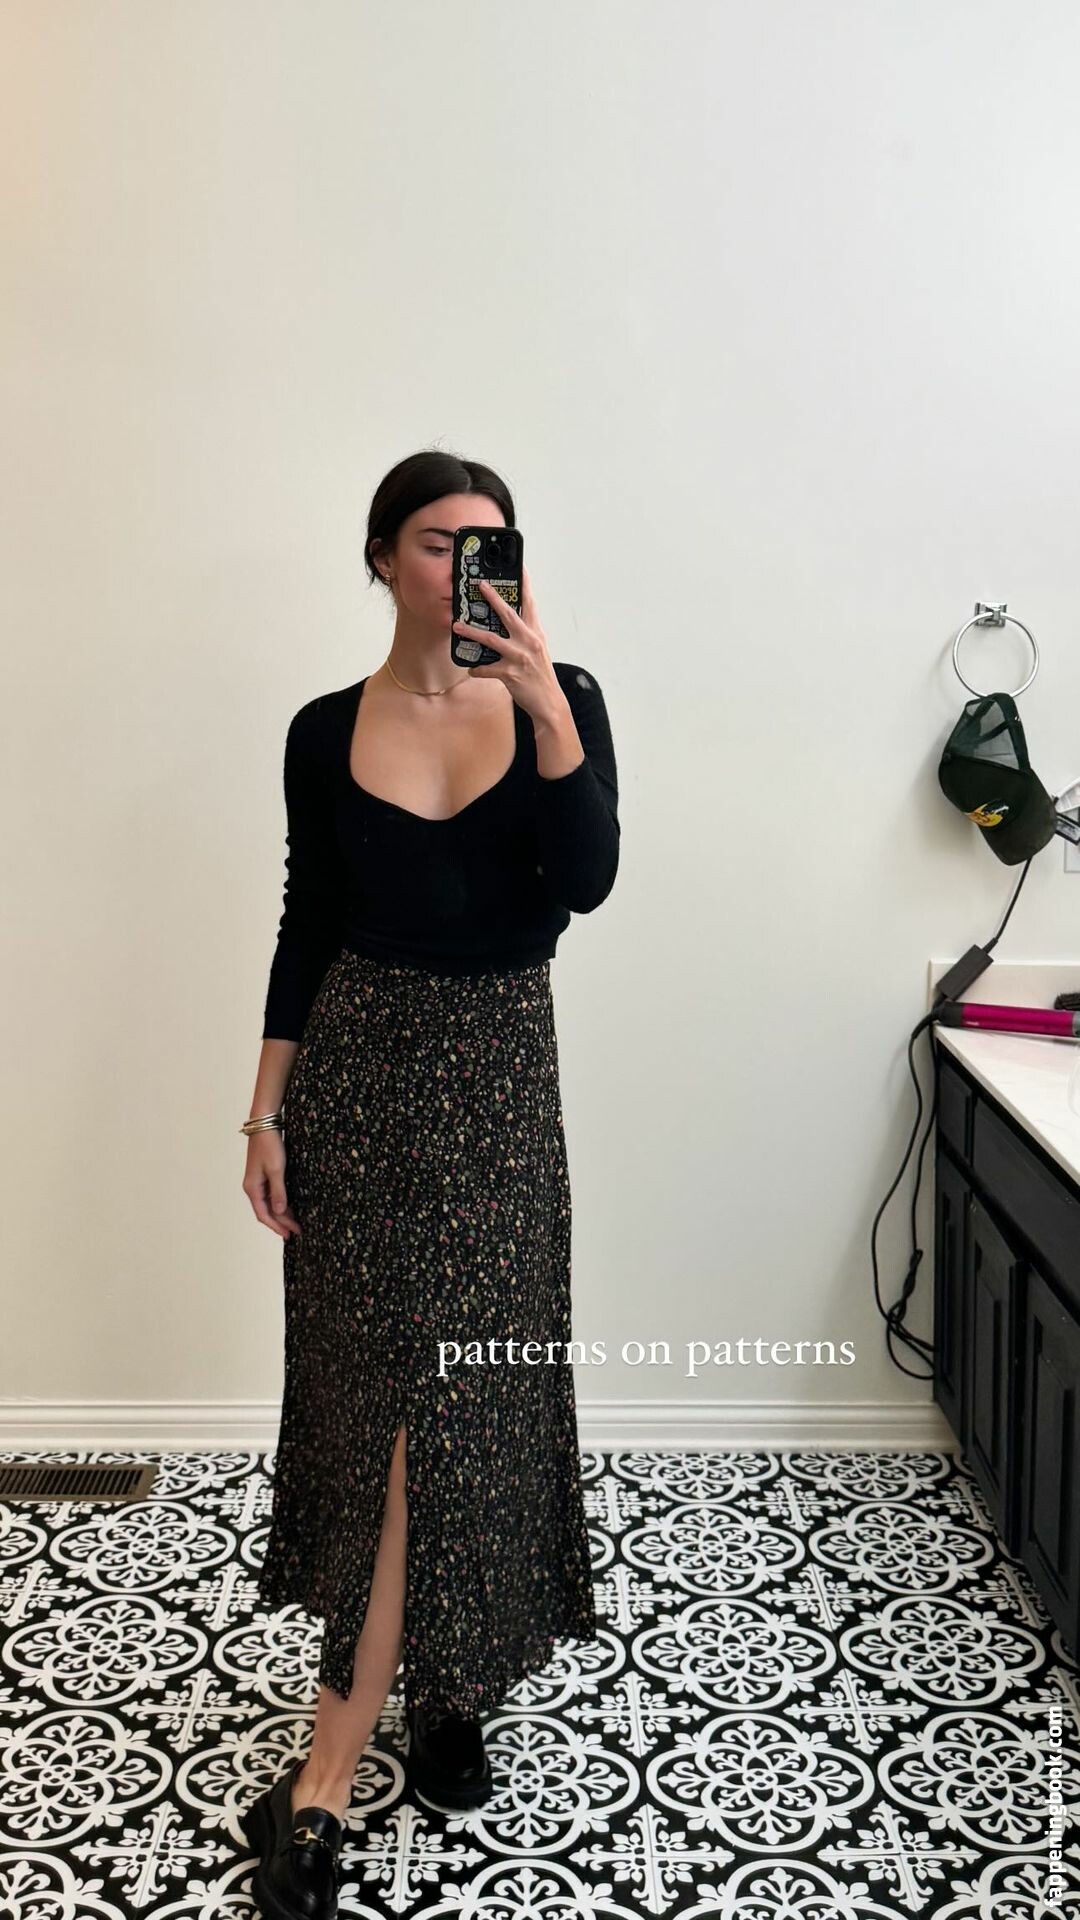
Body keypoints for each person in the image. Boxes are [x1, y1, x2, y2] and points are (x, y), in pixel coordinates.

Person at [239, 449, 620, 1919]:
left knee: (468, 1394)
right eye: (437, 542)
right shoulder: (321, 729)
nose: (469, 567)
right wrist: (264, 1111)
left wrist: (543, 714)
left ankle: (418, 1705)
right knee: (378, 1405)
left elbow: (584, 881)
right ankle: (362, 1736)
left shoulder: (563, 699)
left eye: (492, 542)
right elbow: (307, 922)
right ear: (382, 560)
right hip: (358, 1083)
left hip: (499, 1087)